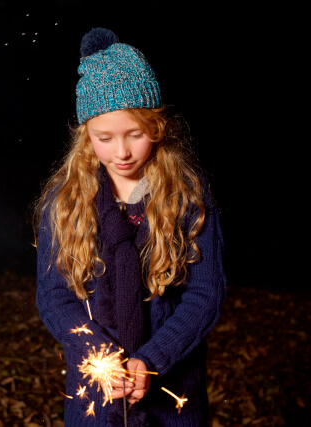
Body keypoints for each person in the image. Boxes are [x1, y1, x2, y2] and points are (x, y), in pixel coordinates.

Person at [33, 27, 226, 426]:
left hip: (174, 391)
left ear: (156, 127)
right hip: (95, 393)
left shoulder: (187, 195)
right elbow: (54, 297)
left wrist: (152, 359)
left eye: (135, 135)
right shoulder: (65, 200)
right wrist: (99, 356)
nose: (120, 152)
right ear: (86, 134)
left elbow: (205, 294)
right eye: (104, 138)